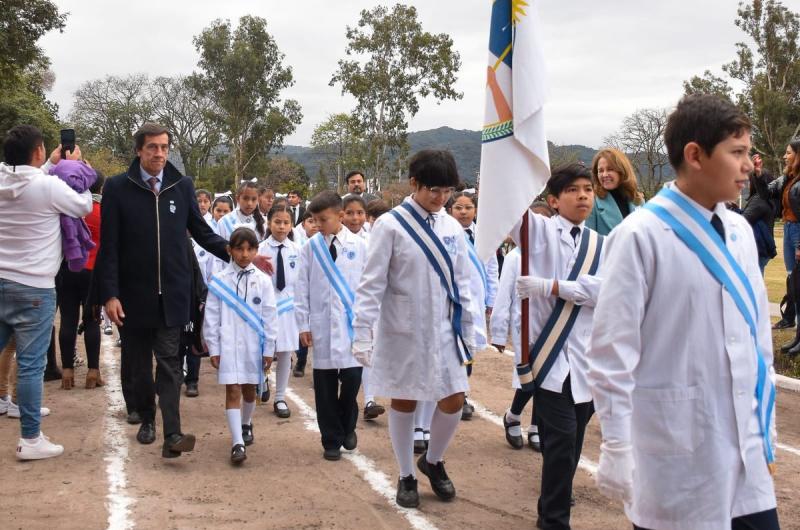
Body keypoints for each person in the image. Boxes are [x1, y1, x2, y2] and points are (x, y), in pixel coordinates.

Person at [588, 94, 780, 530]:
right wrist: (616, 445)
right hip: (677, 457)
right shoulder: (639, 236)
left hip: (746, 452)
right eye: (737, 153)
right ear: (695, 155)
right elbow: (611, 354)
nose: (749, 165)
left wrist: (764, 426)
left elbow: (757, 342)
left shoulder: (739, 231)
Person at [352, 149, 478, 509]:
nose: (440, 199)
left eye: (447, 192)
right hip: (403, 328)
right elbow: (371, 284)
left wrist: (470, 328)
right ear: (414, 184)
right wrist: (363, 332)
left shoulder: (452, 225)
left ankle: (433, 460)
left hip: (444, 329)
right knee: (405, 398)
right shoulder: (390, 225)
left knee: (453, 398)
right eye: (433, 191)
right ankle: (406, 472)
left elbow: (463, 281)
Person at [97, 122, 230, 459]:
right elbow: (108, 247)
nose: (159, 153)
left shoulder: (181, 186)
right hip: (133, 296)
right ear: (139, 150)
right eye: (153, 147)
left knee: (170, 364)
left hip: (173, 295)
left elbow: (202, 233)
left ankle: (173, 433)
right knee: (139, 366)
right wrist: (109, 295)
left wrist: (239, 254)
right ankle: (146, 418)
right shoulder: (117, 188)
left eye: (164, 147)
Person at [512, 164, 603, 530]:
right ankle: (553, 520)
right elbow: (506, 217)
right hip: (549, 360)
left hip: (587, 360)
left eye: (588, 189)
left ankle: (554, 498)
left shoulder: (602, 243)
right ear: (553, 200)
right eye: (573, 190)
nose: (583, 195)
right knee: (563, 438)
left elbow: (603, 292)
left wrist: (552, 286)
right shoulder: (539, 231)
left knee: (575, 441)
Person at [0, 125, 93, 459]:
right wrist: (76, 166)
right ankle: (30, 439)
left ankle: (19, 413)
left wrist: (49, 163)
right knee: (30, 365)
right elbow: (83, 205)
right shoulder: (48, 186)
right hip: (34, 286)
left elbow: (22, 177)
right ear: (39, 151)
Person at [295, 190, 367, 461]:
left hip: (352, 325)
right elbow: (301, 289)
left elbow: (369, 287)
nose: (317, 225)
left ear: (340, 216)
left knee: (351, 380)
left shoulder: (360, 246)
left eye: (322, 219)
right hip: (322, 325)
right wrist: (303, 324)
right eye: (313, 220)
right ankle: (331, 439)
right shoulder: (310, 248)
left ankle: (348, 424)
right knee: (324, 386)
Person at [204, 227, 277, 464]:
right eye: (239, 249)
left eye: (250, 249)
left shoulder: (264, 281)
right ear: (230, 250)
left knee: (248, 390)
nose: (245, 254)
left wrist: (269, 349)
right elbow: (212, 316)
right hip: (228, 345)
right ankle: (237, 443)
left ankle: (246, 424)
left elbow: (270, 316)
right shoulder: (219, 280)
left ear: (256, 250)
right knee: (232, 390)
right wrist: (214, 348)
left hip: (253, 345)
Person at [491, 201, 554, 452]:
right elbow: (504, 294)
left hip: (552, 325)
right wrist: (498, 330)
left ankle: (537, 425)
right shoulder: (515, 257)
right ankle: (514, 415)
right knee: (529, 377)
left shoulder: (555, 255)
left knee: (548, 377)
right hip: (524, 325)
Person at [448, 191, 497, 420]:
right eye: (458, 207)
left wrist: (491, 300)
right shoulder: (445, 234)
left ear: (475, 210)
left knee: (468, 349)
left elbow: (491, 269)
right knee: (451, 348)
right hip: (452, 301)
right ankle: (451, 394)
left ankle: (462, 394)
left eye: (468, 207)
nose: (463, 212)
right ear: (451, 210)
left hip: (476, 302)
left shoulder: (484, 235)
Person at [58, 169, 106, 390]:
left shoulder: (68, 209)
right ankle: (93, 372)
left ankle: (67, 372)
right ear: (101, 188)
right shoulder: (102, 210)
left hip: (67, 268)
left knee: (67, 319)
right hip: (92, 272)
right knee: (92, 321)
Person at [342, 195, 384, 421]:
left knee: (368, 351)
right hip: (341, 307)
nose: (355, 218)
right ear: (341, 214)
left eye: (360, 213)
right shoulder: (334, 240)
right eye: (350, 213)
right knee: (346, 357)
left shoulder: (373, 240)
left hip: (366, 305)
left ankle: (369, 399)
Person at [258, 205, 300, 418]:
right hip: (266, 309)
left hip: (288, 310)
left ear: (291, 224)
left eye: (286, 222)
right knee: (264, 351)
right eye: (277, 222)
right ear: (269, 222)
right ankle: (262, 379)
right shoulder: (260, 250)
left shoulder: (297, 250)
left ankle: (280, 397)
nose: (281, 227)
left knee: (285, 353)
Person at [756, 138, 800, 331]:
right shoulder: (787, 178)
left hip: (798, 230)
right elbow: (765, 194)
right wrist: (758, 175)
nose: (784, 156)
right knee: (793, 279)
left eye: (789, 152)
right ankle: (794, 327)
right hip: (789, 229)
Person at [586, 148, 643, 236]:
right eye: (600, 171)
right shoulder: (591, 202)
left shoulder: (638, 200)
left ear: (622, 171)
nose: (604, 175)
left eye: (610, 169)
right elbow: (588, 245)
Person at [743, 154, 777, 275]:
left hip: (759, 247)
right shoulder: (767, 199)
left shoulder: (759, 200)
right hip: (763, 246)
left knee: (754, 281)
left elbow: (743, 220)